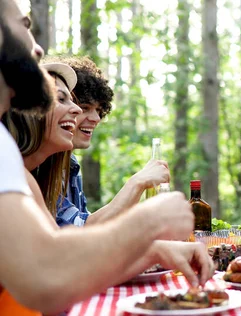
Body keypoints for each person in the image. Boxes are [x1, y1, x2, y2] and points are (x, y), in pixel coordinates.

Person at [0, 1, 212, 314]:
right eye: (26, 26)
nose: (39, 48)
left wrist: (154, 250)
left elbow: (62, 258)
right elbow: (48, 274)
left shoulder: (23, 173)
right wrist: (149, 221)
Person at [41, 55, 169, 226]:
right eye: (85, 108)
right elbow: (83, 231)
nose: (96, 118)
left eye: (99, 111)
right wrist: (137, 183)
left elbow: (91, 232)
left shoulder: (70, 163)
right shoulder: (38, 165)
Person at [4, 62, 82, 217]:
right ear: (28, 111)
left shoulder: (29, 179)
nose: (77, 110)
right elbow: (49, 241)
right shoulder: (7, 171)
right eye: (60, 99)